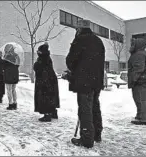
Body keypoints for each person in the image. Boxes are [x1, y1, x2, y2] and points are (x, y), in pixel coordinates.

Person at [66, 19, 105, 148]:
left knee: (85, 110)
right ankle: (97, 134)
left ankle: (87, 139)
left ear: (79, 29)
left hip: (84, 82)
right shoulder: (98, 41)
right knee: (94, 107)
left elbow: (70, 61)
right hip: (96, 81)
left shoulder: (79, 40)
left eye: (76, 28)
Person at [128, 38, 146, 125]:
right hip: (144, 80)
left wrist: (133, 80)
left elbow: (138, 69)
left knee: (140, 99)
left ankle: (143, 119)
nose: (131, 46)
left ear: (137, 45)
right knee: (143, 99)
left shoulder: (139, 54)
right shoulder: (142, 53)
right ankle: (142, 116)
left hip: (140, 81)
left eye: (133, 44)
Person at [33, 42, 60, 122]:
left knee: (45, 97)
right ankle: (53, 112)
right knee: (51, 96)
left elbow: (38, 68)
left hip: (44, 81)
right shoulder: (47, 58)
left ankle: (47, 114)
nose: (38, 53)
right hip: (50, 80)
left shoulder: (43, 59)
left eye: (39, 51)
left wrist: (36, 65)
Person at [3, 44, 20, 110]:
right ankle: (15, 103)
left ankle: (10, 104)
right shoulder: (16, 56)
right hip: (15, 74)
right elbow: (18, 65)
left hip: (8, 74)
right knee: (13, 90)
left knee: (9, 90)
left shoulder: (6, 57)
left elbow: (3, 66)